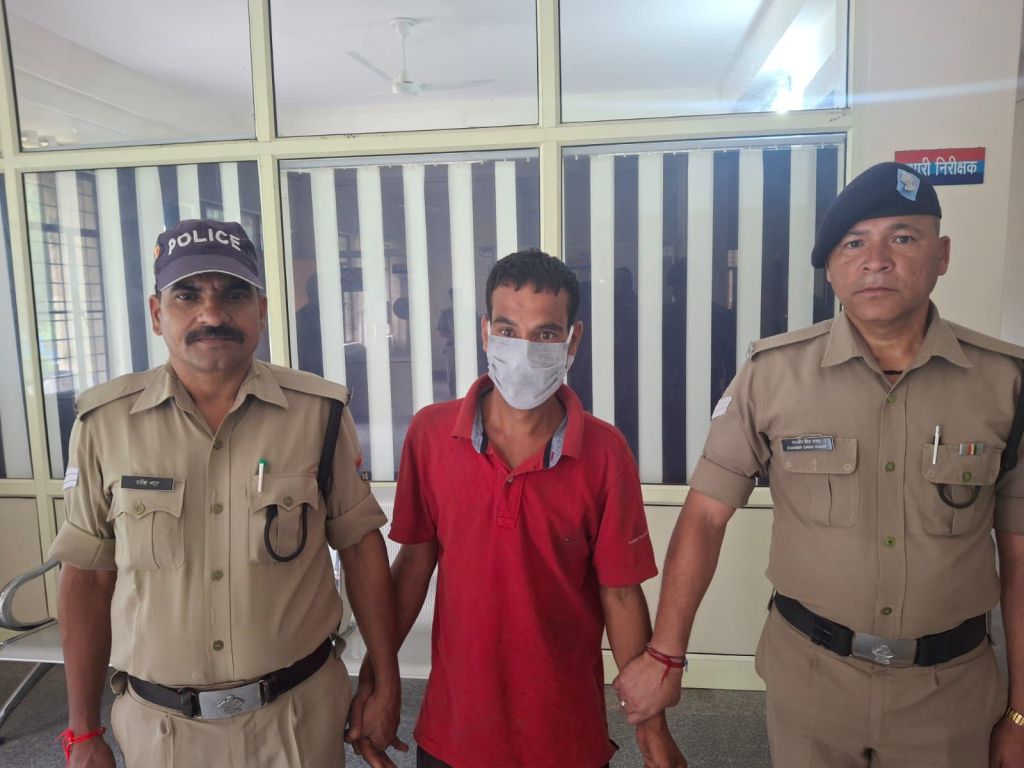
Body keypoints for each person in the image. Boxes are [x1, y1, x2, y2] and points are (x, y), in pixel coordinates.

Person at [614, 162, 1024, 767]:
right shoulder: (772, 375)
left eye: (902, 237)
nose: (876, 261)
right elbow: (704, 516)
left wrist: (1020, 714)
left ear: (941, 255)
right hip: (810, 681)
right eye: (853, 243)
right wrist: (666, 654)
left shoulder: (1004, 383)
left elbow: (1019, 556)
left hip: (950, 695)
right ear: (831, 267)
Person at [48, 218, 403, 768]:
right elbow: (88, 580)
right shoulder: (105, 424)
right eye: (187, 295)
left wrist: (385, 682)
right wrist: (82, 729)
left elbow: (360, 549)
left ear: (260, 310)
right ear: (156, 313)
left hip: (297, 721)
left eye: (233, 295)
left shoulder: (319, 414)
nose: (211, 314)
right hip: (162, 730)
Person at [368, 249, 685, 767]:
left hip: (564, 734)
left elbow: (621, 594)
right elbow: (413, 567)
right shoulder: (430, 435)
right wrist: (377, 680)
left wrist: (652, 731)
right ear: (485, 332)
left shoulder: (605, 453)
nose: (523, 351)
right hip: (454, 731)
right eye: (507, 330)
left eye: (545, 334)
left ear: (572, 340)